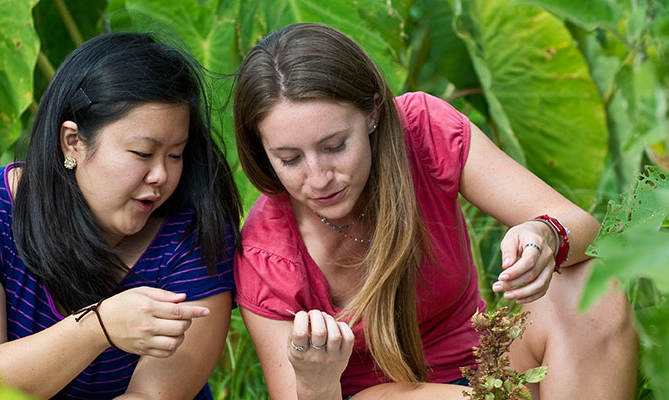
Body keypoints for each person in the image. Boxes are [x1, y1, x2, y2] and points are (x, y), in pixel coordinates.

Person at [232, 23, 638, 400]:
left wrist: (546, 235)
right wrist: (315, 383)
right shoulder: (266, 254)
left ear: (373, 112)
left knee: (588, 286)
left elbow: (582, 228)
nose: (318, 177)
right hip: (374, 395)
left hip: (483, 369)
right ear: (262, 151)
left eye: (335, 146)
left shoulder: (424, 132)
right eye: (289, 159)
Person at [0, 32, 241, 399]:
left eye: (175, 154)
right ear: (72, 141)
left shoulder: (192, 232)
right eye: (142, 153)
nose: (161, 176)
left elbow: (151, 396)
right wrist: (97, 329)